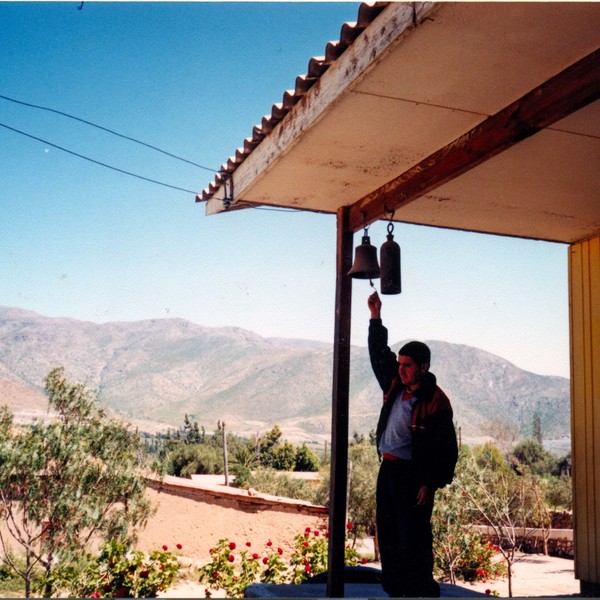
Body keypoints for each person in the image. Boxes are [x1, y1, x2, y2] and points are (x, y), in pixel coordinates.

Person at [368, 291, 458, 598]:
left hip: (412, 477)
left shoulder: (436, 402)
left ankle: (421, 592)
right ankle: (395, 590)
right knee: (389, 534)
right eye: (401, 363)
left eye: (408, 365)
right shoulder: (396, 385)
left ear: (423, 366)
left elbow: (445, 450)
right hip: (388, 470)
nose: (401, 369)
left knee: (413, 537)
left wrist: (429, 483)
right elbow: (380, 354)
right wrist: (375, 316)